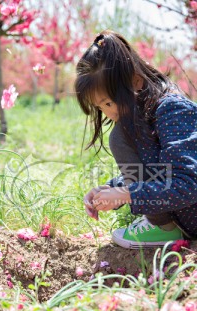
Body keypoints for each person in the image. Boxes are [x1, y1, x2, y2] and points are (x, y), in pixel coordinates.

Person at [74, 30, 197, 249]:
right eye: (100, 107)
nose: (108, 114)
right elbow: (158, 170)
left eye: (109, 103)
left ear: (136, 82)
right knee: (120, 135)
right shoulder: (142, 114)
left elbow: (188, 184)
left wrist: (126, 193)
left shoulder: (172, 109)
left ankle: (164, 229)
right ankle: (163, 225)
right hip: (187, 214)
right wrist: (111, 189)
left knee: (119, 137)